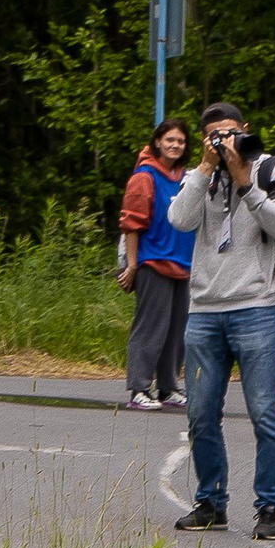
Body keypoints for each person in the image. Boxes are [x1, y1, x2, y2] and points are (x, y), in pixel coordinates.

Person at [168, 102, 275, 542]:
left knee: (265, 413)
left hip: (258, 306)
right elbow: (179, 220)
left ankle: (271, 507)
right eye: (214, 135)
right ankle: (210, 503)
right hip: (205, 310)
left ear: (245, 129)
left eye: (229, 133)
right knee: (200, 414)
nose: (224, 141)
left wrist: (245, 181)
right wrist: (206, 168)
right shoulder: (199, 175)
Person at [117, 118, 195, 411]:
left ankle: (167, 387)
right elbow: (131, 225)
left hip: (183, 264)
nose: (175, 145)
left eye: (181, 141)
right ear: (158, 142)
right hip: (153, 262)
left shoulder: (186, 177)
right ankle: (138, 388)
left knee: (178, 330)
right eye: (170, 140)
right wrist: (132, 266)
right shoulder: (144, 177)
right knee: (151, 328)